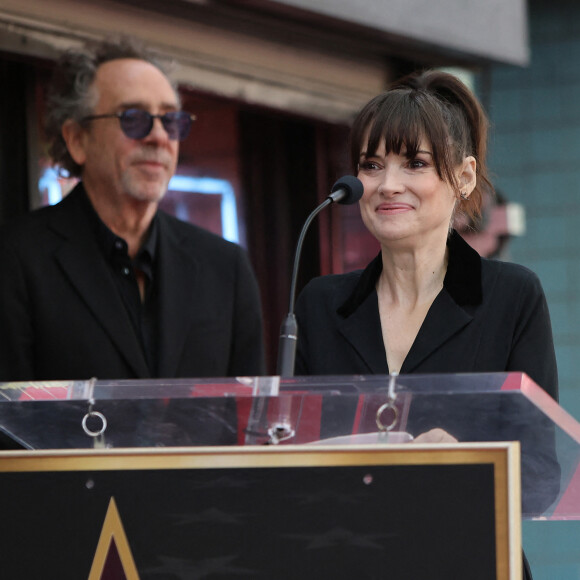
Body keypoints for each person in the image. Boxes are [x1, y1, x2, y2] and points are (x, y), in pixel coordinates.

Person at [294, 70, 558, 579]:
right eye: (371, 165)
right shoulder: (320, 305)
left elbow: (542, 474)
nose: (387, 185)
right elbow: (287, 451)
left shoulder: (510, 295)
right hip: (349, 563)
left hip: (471, 562)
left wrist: (467, 463)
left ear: (463, 176)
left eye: (415, 163)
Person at [0, 37, 265, 381]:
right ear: (78, 140)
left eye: (171, 120)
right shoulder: (17, 257)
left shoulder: (225, 267)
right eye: (134, 118)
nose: (159, 137)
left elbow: (250, 420)